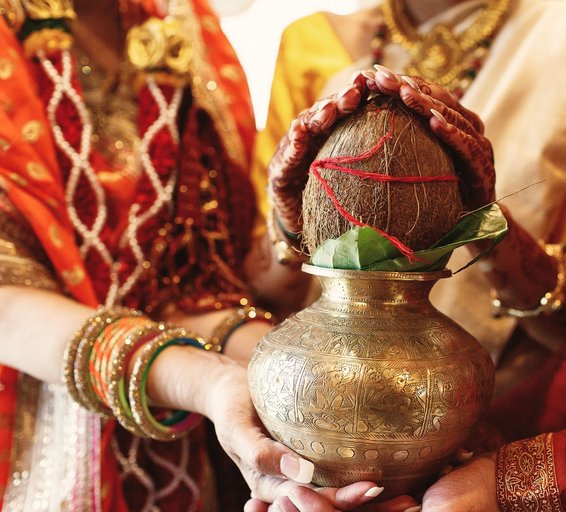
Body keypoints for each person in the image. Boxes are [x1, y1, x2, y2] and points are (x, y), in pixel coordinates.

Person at [0, 0, 328, 509]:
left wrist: (304, 380)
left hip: (188, 451)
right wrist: (208, 382)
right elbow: (8, 311)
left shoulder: (188, 29)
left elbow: (199, 284)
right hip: (32, 444)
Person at [257, 0, 566, 396]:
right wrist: (288, 217)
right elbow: (262, 292)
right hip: (312, 389)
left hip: (499, 410)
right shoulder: (309, 42)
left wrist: (486, 222)